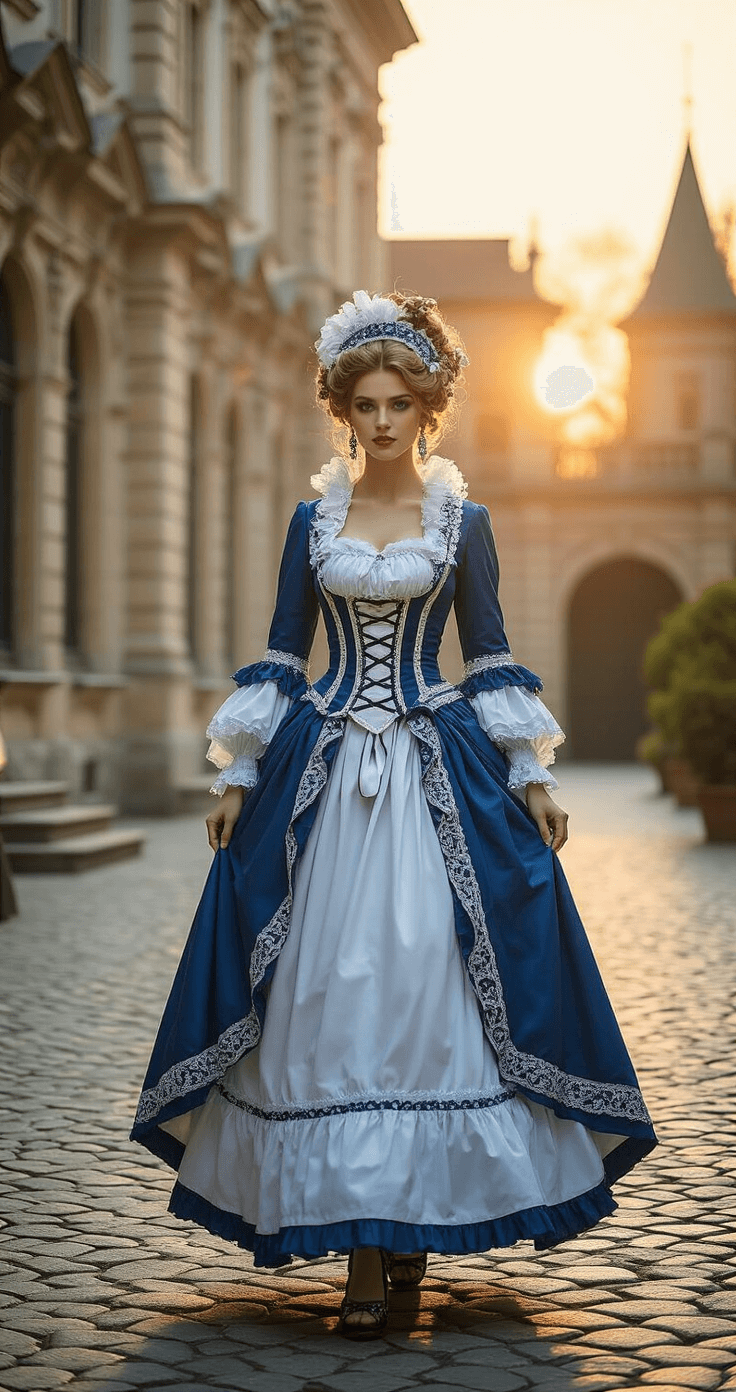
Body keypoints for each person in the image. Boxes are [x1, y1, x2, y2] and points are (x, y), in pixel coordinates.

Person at [131, 291, 656, 1339]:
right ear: (342, 408)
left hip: (432, 770)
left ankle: (408, 1232)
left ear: (427, 409)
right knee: (330, 999)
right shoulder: (308, 522)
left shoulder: (466, 524)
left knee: (430, 992)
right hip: (323, 774)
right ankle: (366, 1248)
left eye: (398, 403)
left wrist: (534, 777)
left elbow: (491, 650)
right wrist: (235, 780)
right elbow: (284, 655)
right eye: (363, 403)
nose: (380, 421)